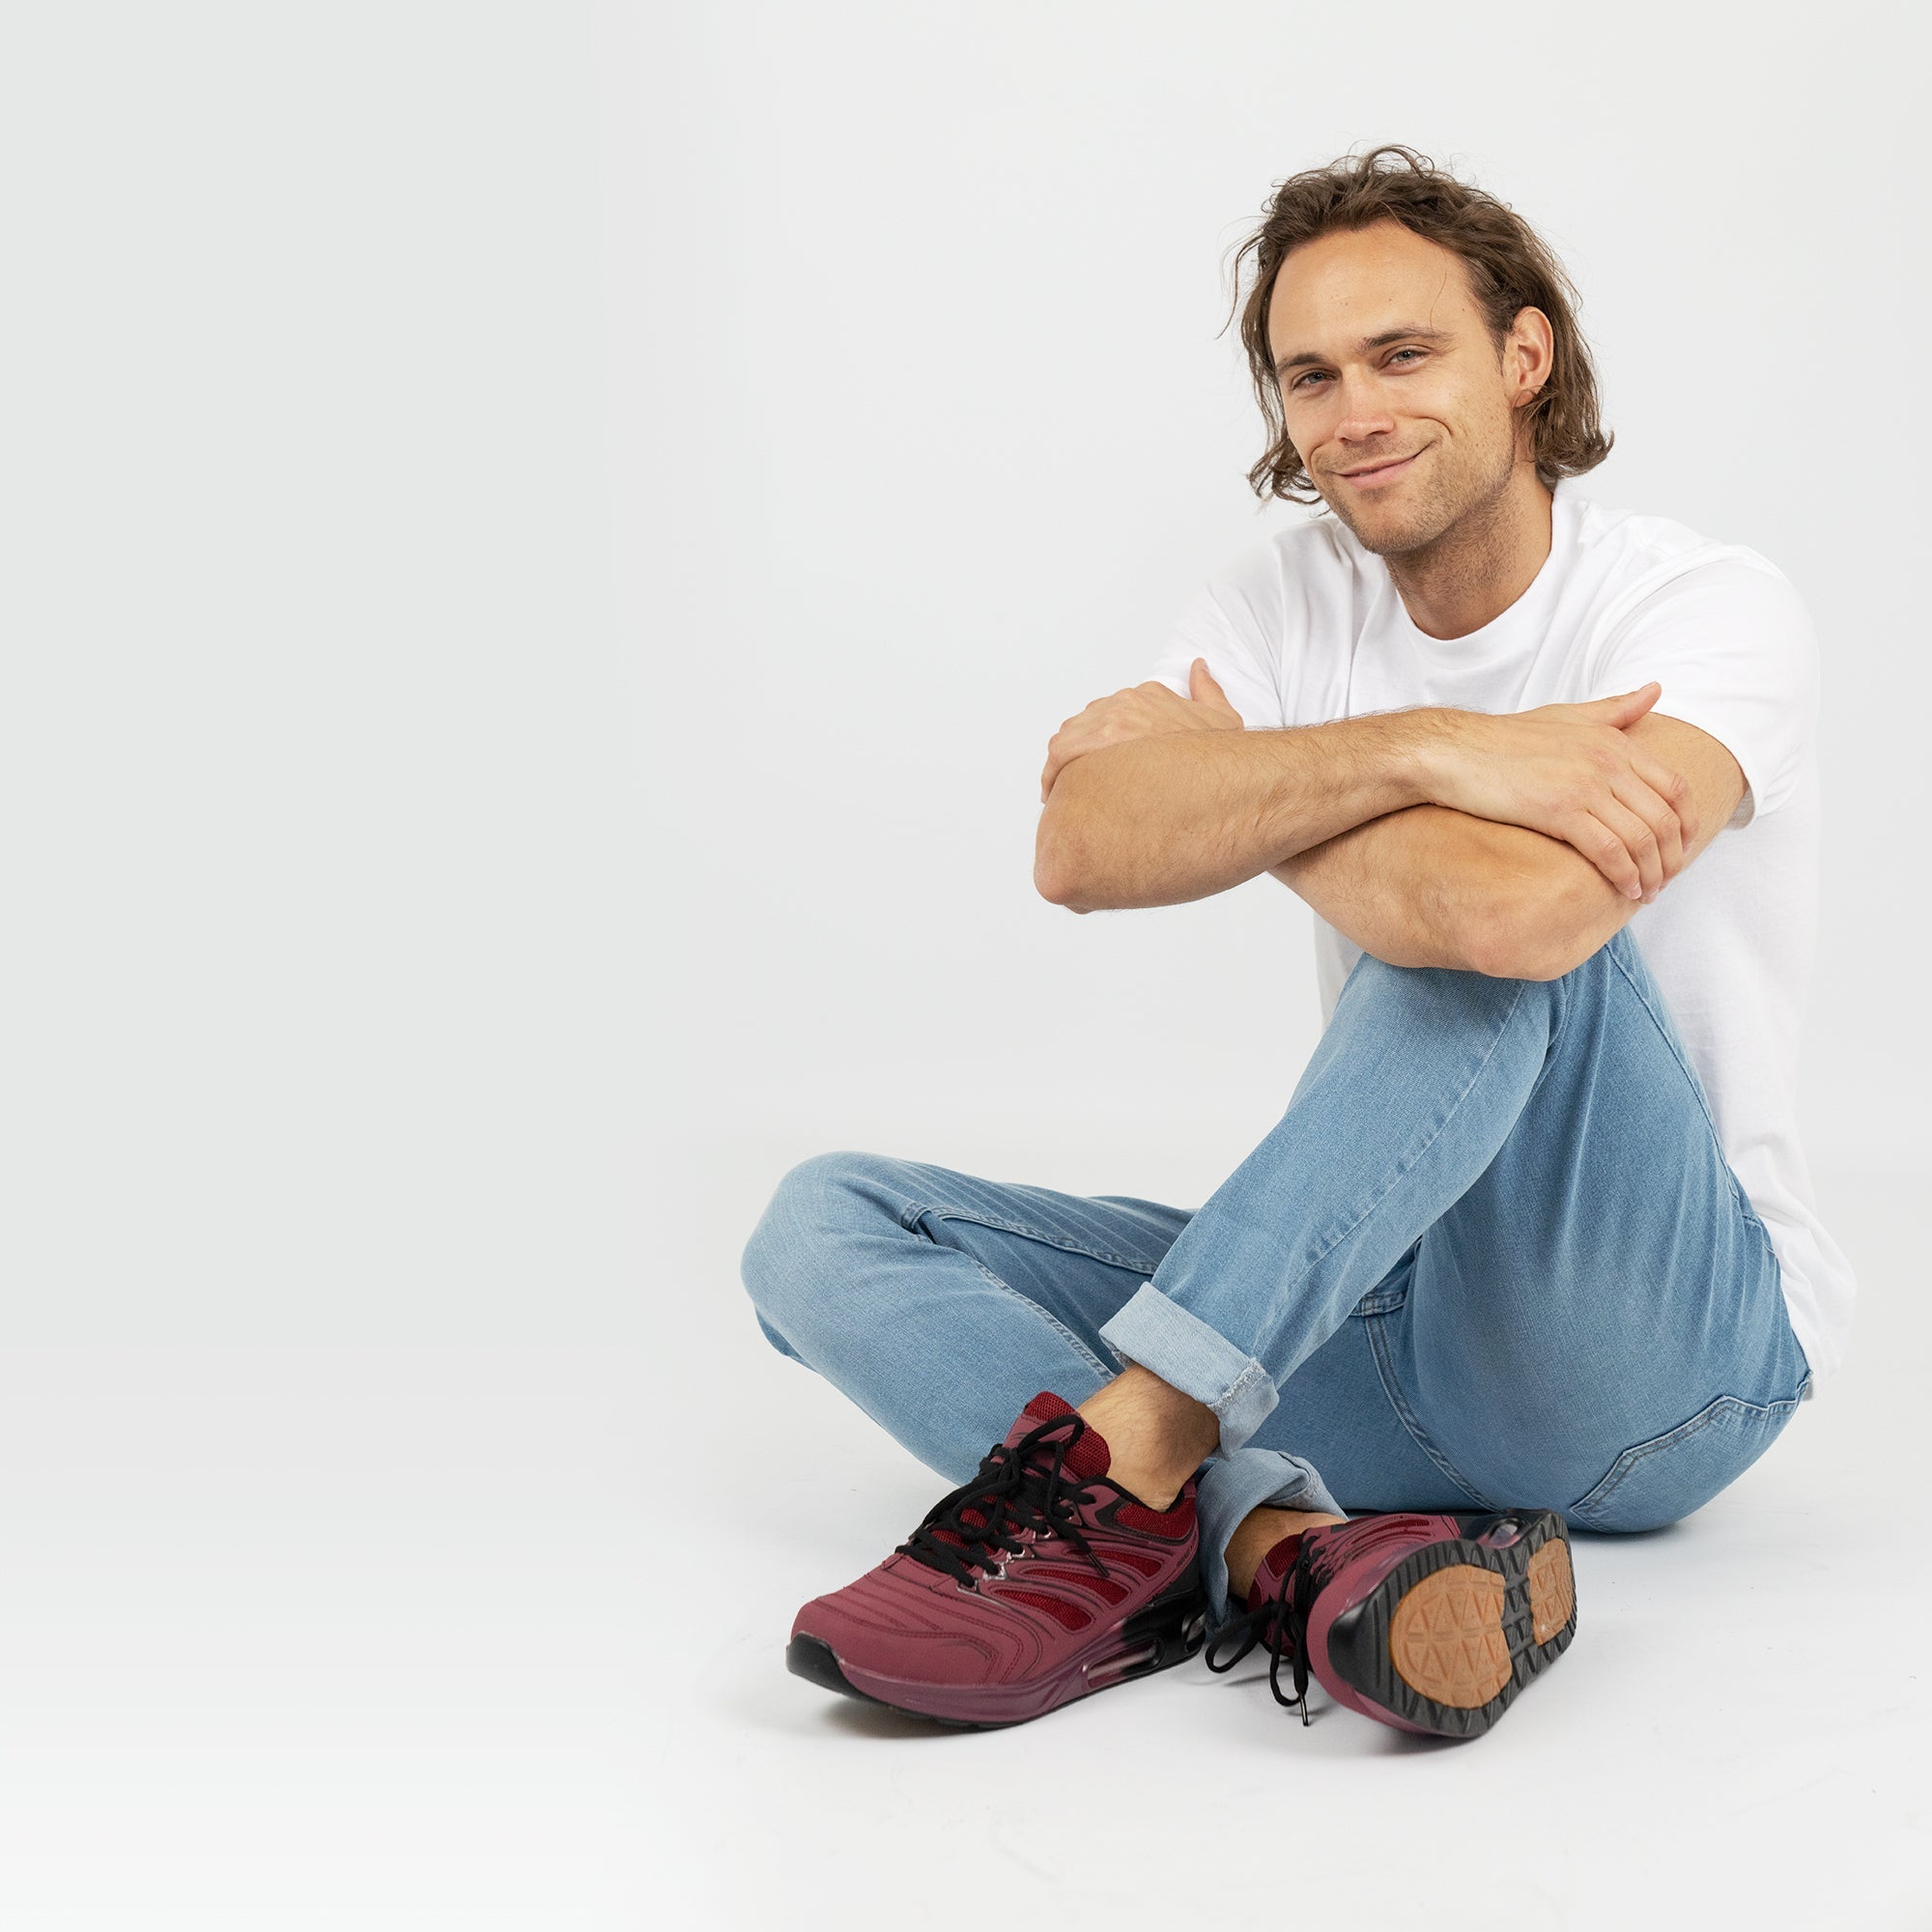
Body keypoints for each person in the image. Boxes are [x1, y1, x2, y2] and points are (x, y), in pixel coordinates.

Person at [738, 143, 1853, 1741]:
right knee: (820, 1226)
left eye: (1404, 355)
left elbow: (1515, 914)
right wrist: (1436, 751)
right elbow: (1079, 846)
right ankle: (1284, 1551)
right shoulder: (1281, 603)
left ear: (1523, 357)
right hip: (1380, 1338)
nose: (1354, 413)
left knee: (1477, 947)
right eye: (1311, 376)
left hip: (1659, 1358)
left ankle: (1136, 1453)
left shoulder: (1705, 609)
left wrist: (1242, 791)